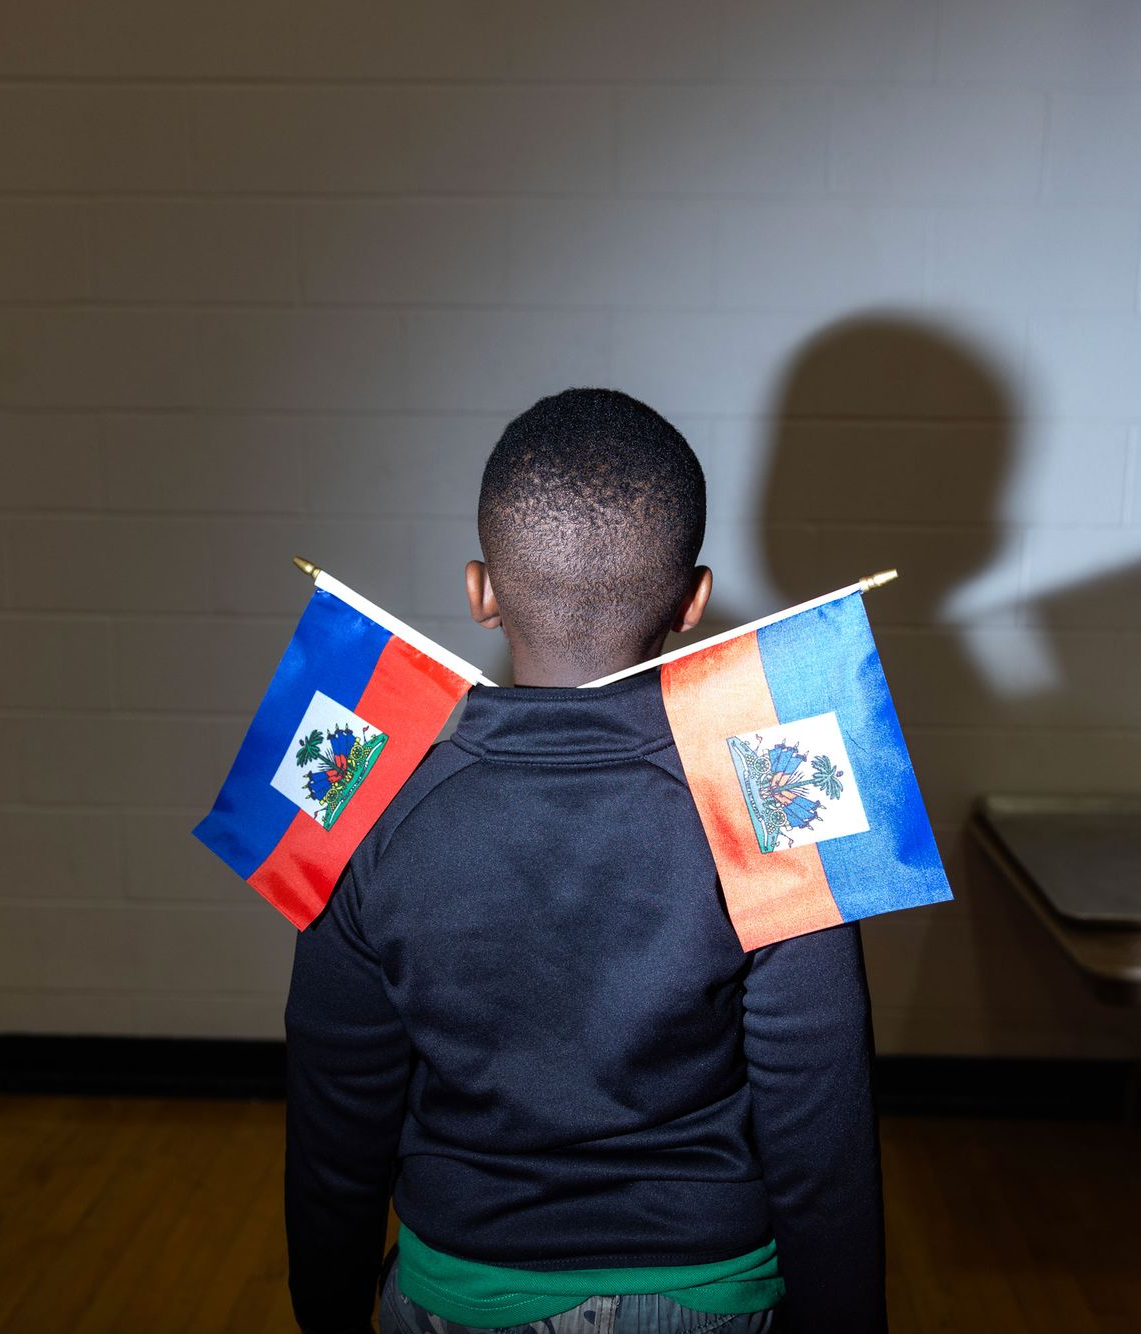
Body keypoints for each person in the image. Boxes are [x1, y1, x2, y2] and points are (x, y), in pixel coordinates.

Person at [284, 388, 886, 1334]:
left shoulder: (364, 802)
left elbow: (335, 1119)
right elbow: (824, 1123)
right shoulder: (775, 798)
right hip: (710, 1295)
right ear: (694, 602)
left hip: (459, 1291)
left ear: (480, 591)